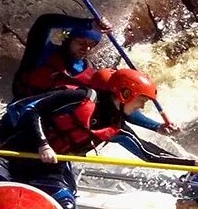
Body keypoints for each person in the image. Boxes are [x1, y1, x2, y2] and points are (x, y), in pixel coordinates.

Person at [0, 68, 198, 209]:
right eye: (141, 100)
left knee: (66, 204)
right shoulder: (80, 97)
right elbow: (32, 112)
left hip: (49, 168)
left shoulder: (117, 128)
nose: (142, 106)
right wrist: (42, 144)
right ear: (124, 94)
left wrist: (193, 163)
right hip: (14, 154)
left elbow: (149, 155)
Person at [12, 14, 179, 133]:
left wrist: (156, 126)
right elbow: (44, 22)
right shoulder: (42, 55)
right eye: (81, 42)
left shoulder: (90, 76)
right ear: (68, 39)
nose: (86, 48)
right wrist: (89, 23)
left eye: (92, 44)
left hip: (50, 130)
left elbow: (121, 105)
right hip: (19, 118)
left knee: (112, 123)